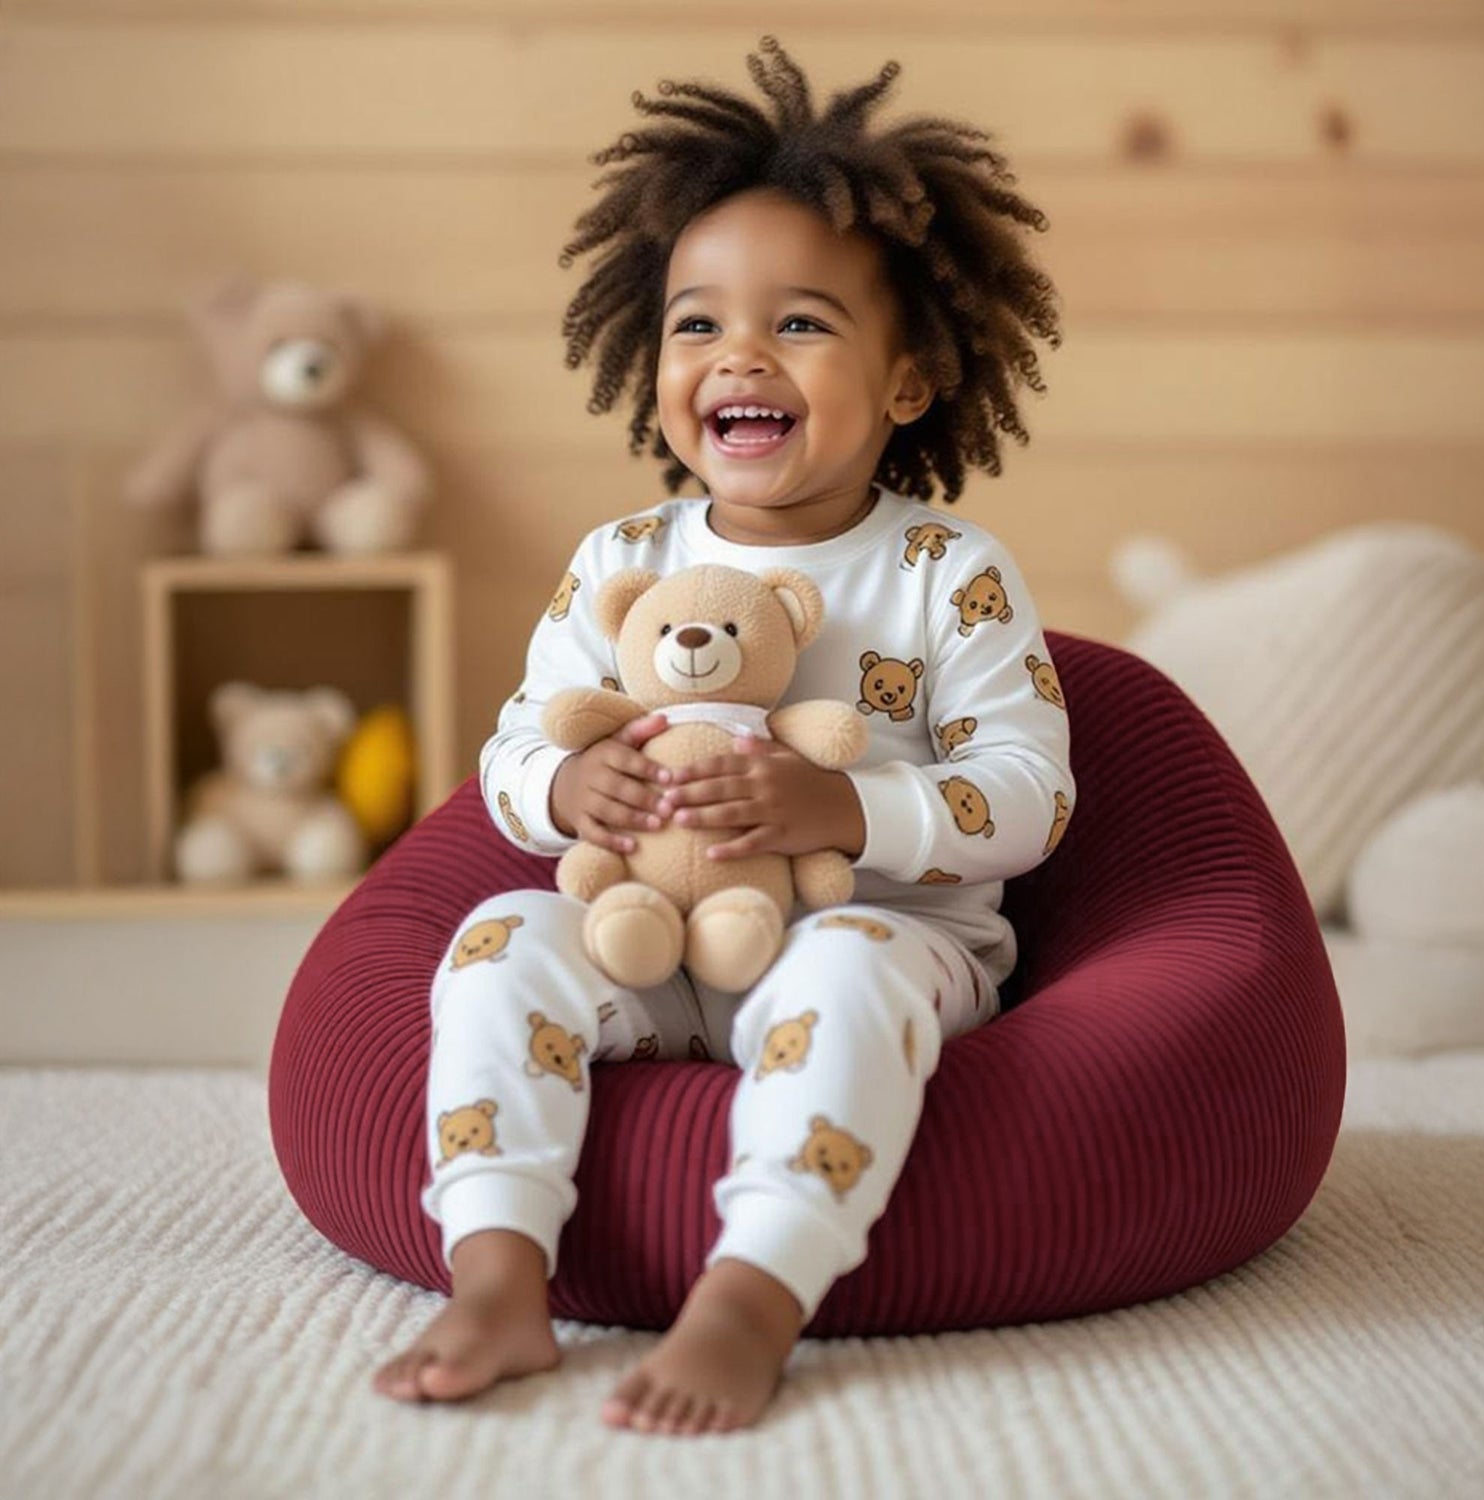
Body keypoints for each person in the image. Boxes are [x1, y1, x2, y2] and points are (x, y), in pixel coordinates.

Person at [373, 34, 1076, 1435]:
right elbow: (509, 757)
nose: (738, 354)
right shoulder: (623, 558)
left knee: (848, 962)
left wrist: (846, 813)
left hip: (876, 940)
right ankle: (499, 1274)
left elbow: (1031, 795)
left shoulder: (948, 571)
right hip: (649, 943)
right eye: (696, 325)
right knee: (497, 944)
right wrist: (568, 786)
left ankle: (753, 1295)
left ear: (911, 379)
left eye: (801, 323)